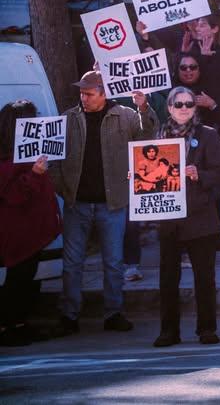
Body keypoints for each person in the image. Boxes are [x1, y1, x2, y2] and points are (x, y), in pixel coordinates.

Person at [51, 71, 159, 334]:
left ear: (104, 93)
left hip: (112, 203)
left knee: (113, 261)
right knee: (71, 262)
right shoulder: (69, 118)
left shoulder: (125, 115)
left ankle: (114, 313)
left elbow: (147, 140)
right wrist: (63, 188)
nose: (83, 97)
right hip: (77, 203)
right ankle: (69, 315)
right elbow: (54, 154)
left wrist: (143, 107)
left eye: (88, 93)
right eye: (81, 93)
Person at [151, 86, 220, 347]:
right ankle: (168, 331)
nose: (184, 109)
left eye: (189, 104)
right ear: (169, 107)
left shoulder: (208, 136)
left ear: (195, 108)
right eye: (178, 104)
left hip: (200, 217)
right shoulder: (158, 137)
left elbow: (219, 173)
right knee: (168, 279)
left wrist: (200, 175)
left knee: (204, 277)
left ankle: (207, 329)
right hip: (169, 218)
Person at [0, 100, 61, 347]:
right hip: (18, 231)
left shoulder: (23, 151)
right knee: (18, 279)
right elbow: (14, 194)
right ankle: (7, 326)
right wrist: (34, 175)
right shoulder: (6, 159)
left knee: (27, 278)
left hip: (31, 229)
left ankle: (20, 324)